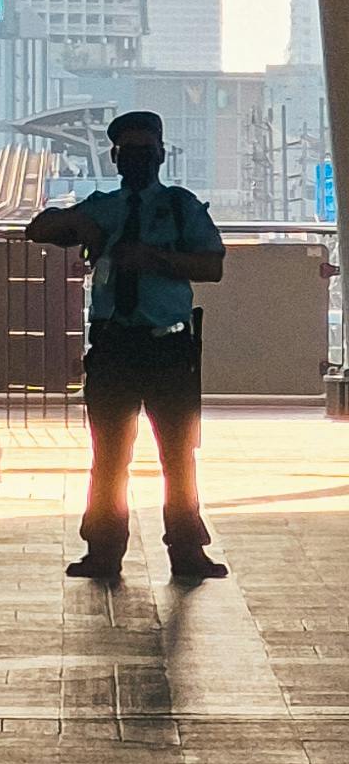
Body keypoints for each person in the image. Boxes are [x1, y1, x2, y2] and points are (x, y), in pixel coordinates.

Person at [26, 111, 226, 585]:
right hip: (114, 345)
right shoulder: (103, 207)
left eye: (145, 151)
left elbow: (212, 266)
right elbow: (39, 228)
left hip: (168, 347)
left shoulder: (180, 207)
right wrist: (80, 227)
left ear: (160, 154)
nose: (137, 160)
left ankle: (186, 550)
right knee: (109, 455)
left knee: (177, 455)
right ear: (115, 158)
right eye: (127, 152)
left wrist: (158, 259)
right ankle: (102, 550)